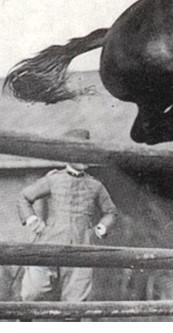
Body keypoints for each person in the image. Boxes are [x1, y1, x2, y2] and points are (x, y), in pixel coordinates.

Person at [16, 128, 118, 302]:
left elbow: (110, 212)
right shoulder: (54, 179)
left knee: (75, 302)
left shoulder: (95, 185)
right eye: (80, 153)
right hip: (50, 242)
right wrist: (33, 220)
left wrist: (101, 228)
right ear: (67, 155)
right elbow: (24, 197)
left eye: (88, 152)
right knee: (33, 292)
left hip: (81, 247)